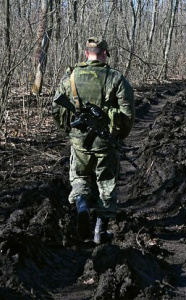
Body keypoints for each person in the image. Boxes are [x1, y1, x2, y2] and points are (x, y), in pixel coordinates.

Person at [52, 37, 135, 244]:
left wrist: (70, 132)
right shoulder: (115, 78)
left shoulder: (70, 76)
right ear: (105, 53)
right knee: (106, 183)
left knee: (79, 177)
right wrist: (118, 135)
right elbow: (127, 114)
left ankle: (81, 206)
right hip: (105, 142)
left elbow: (56, 109)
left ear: (86, 53)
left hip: (79, 142)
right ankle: (100, 231)